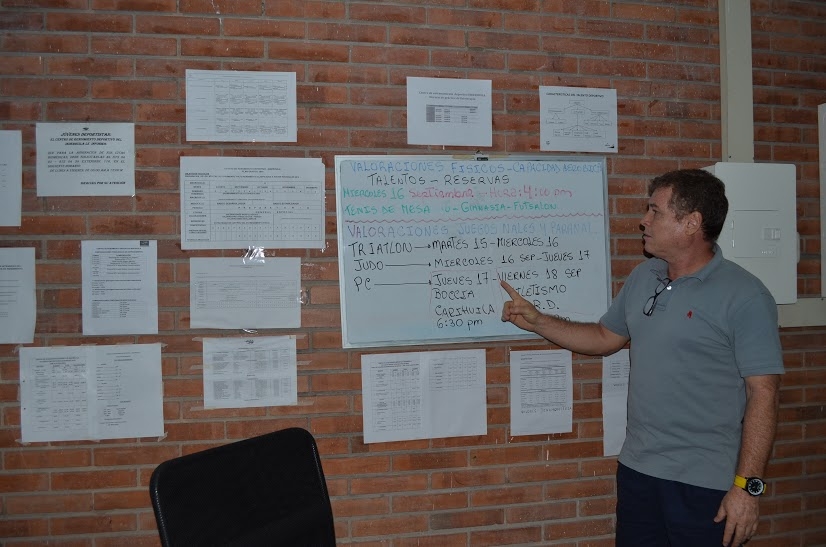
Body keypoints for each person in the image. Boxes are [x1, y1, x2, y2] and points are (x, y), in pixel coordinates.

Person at [500, 168, 783, 547]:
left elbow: (764, 393)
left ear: (691, 223)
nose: (644, 221)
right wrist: (538, 321)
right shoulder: (644, 276)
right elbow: (604, 337)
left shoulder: (745, 296)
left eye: (655, 211)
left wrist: (747, 488)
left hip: (705, 482)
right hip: (638, 470)